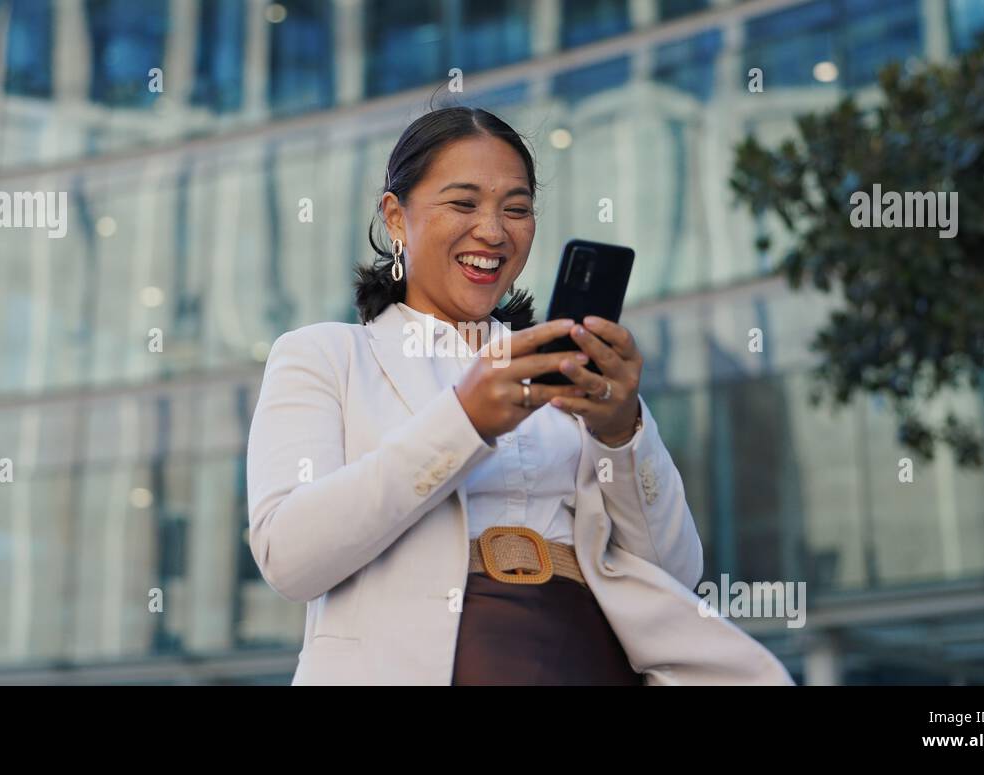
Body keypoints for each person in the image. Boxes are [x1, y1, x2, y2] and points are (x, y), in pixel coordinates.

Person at [246, 105, 794, 685]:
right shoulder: (326, 356)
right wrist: (465, 421)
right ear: (395, 217)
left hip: (584, 660)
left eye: (517, 209)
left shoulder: (568, 365)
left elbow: (672, 575)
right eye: (462, 203)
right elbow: (291, 557)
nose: (493, 231)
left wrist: (621, 433)